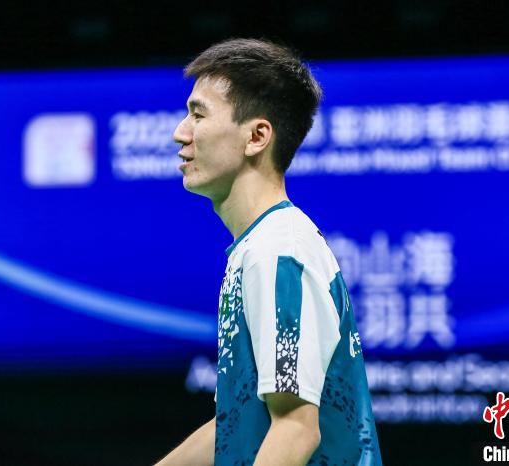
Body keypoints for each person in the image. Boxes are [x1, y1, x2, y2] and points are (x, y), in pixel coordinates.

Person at [157, 38, 382, 466]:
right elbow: (238, 424)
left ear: (257, 136)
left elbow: (296, 428)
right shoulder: (257, 247)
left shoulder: (278, 252)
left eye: (198, 114)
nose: (180, 132)